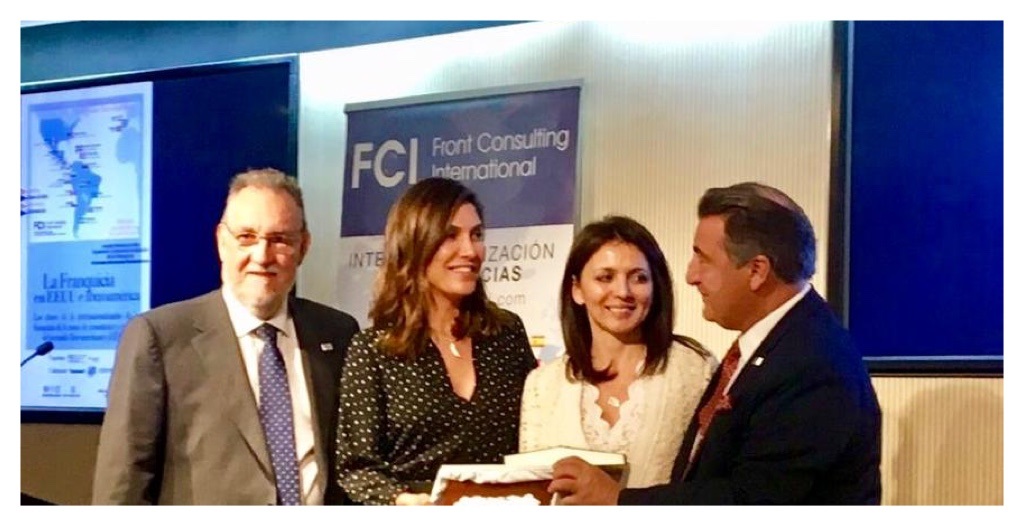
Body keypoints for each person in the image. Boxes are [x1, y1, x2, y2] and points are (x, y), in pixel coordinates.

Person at [550, 182, 882, 504]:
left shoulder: (810, 363)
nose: (691, 276)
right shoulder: (775, 345)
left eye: (703, 259)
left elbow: (754, 501)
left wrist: (617, 499)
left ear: (757, 271)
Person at [92, 168, 360, 505]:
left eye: (280, 239)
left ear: (303, 247)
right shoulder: (160, 337)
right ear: (221, 241)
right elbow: (123, 484)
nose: (262, 256)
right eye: (246, 237)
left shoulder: (336, 333)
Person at [335, 177, 537, 505]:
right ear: (414, 243)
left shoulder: (506, 334)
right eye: (450, 236)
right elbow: (356, 468)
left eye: (476, 235)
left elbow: (534, 439)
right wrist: (401, 500)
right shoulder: (374, 351)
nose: (469, 251)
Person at [519, 215, 715, 488]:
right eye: (605, 277)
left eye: (639, 278)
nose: (623, 291)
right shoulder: (543, 385)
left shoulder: (694, 370)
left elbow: (710, 483)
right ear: (577, 289)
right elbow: (530, 487)